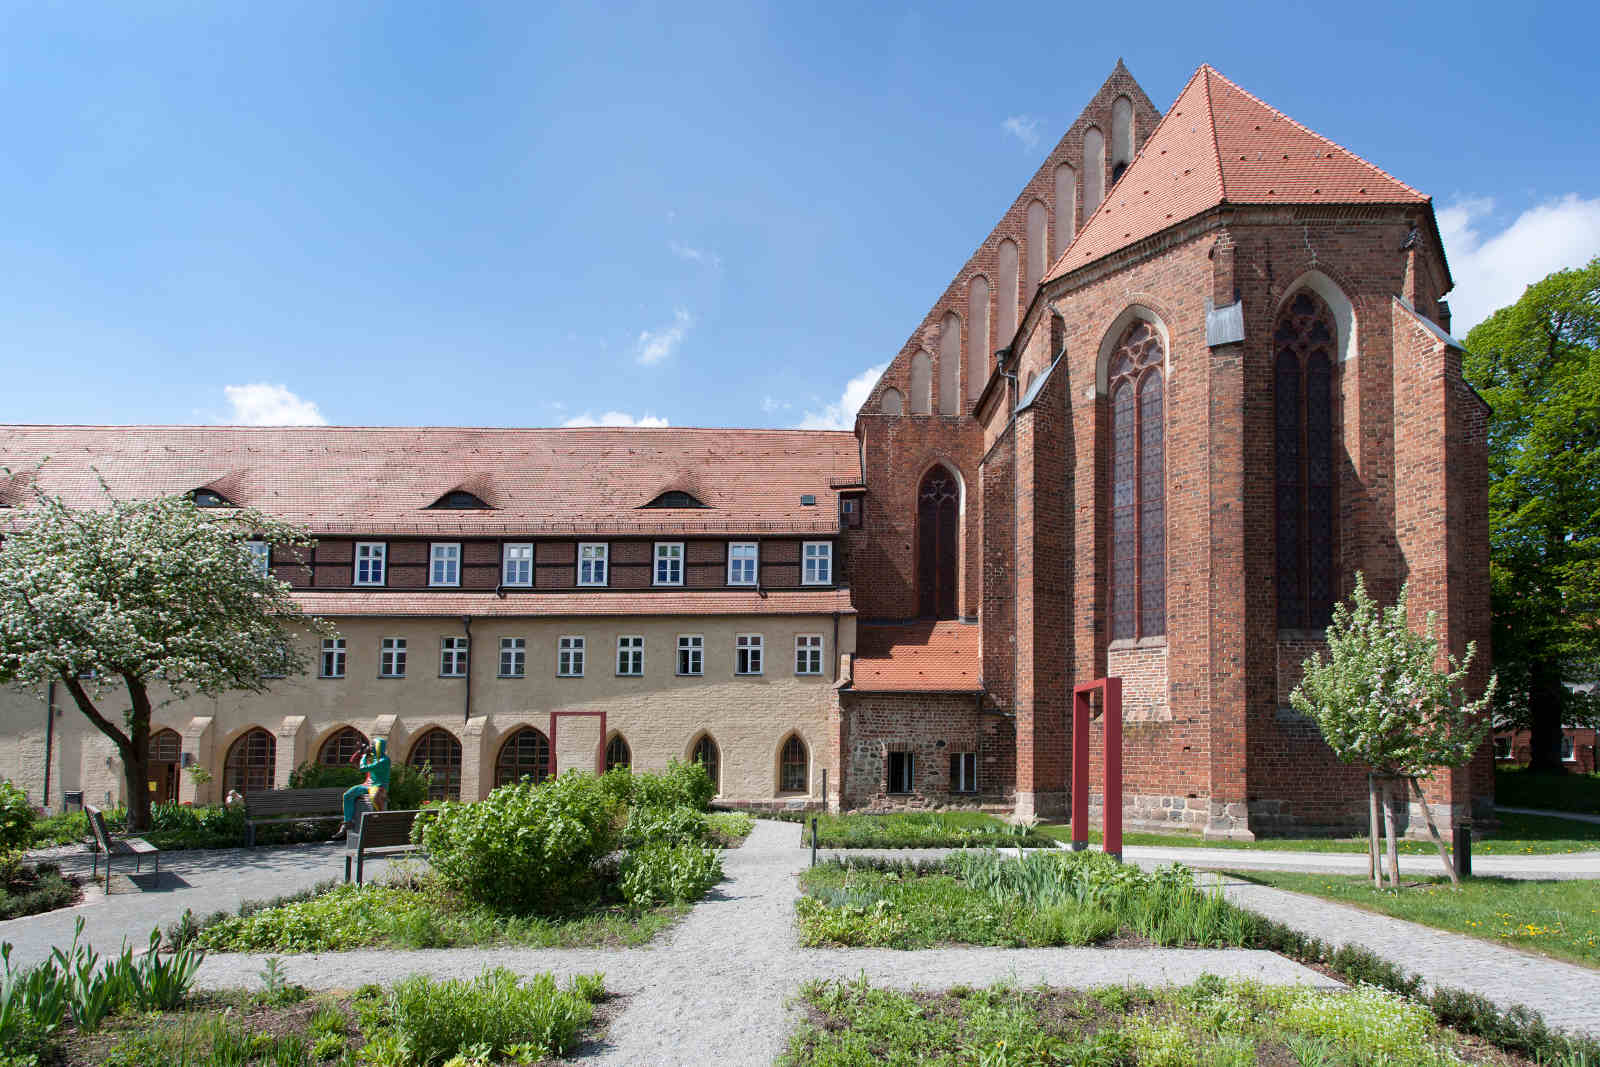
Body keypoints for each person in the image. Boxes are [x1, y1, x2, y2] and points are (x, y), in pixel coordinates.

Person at [331, 737, 391, 840]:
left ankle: (380, 821)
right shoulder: (373, 757)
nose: (371, 747)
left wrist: (363, 756)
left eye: (373, 745)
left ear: (378, 747)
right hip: (367, 784)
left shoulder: (384, 760)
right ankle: (347, 822)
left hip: (378, 785)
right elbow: (354, 762)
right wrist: (360, 751)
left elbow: (363, 768)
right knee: (348, 795)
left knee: (375, 798)